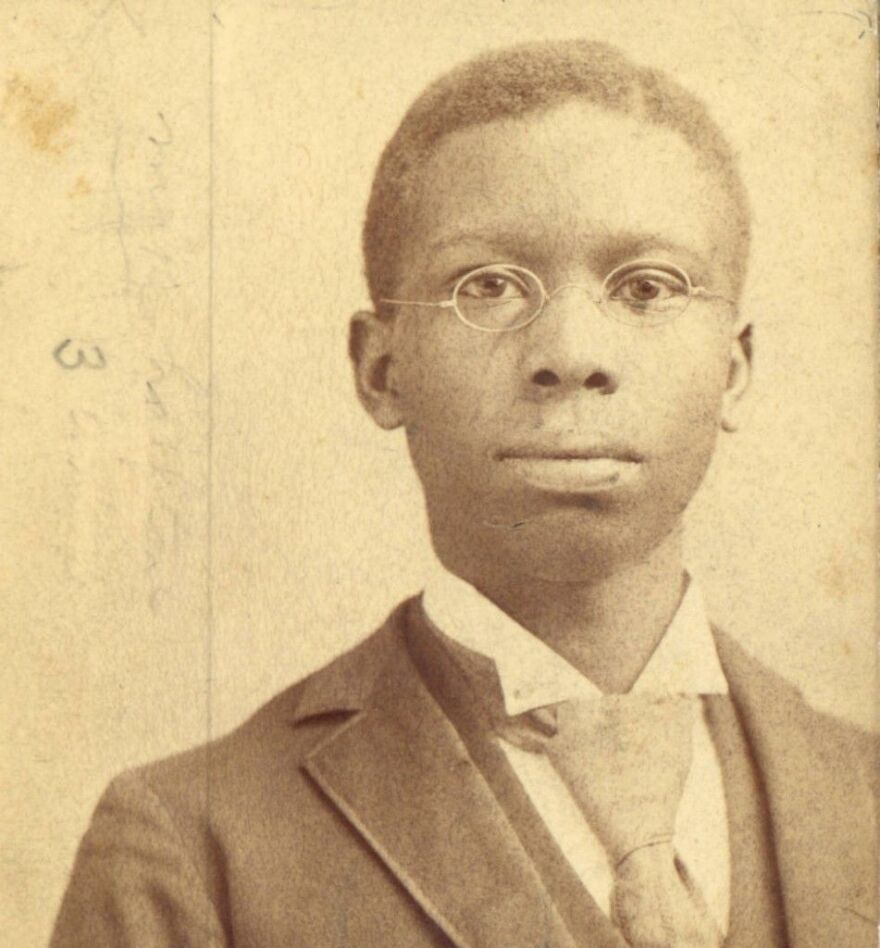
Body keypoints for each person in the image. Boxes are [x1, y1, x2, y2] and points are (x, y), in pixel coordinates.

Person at [51, 39, 876, 947]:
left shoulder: (858, 791)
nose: (572, 352)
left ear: (734, 368)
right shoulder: (195, 844)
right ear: (380, 369)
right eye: (487, 287)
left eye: (647, 287)